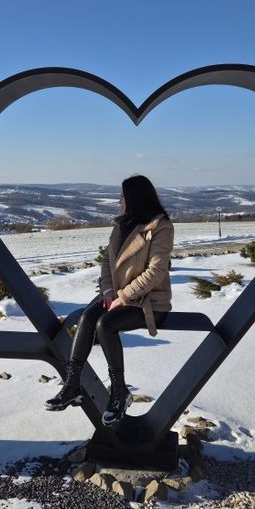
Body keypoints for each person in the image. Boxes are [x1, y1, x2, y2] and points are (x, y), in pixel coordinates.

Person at [45, 175, 174, 425]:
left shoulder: (161, 227)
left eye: (122, 197)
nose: (119, 201)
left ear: (134, 199)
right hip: (116, 296)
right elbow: (107, 263)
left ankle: (119, 392)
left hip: (148, 301)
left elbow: (156, 271)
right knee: (88, 316)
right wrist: (107, 291)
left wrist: (124, 296)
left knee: (106, 324)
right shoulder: (121, 226)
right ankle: (73, 386)